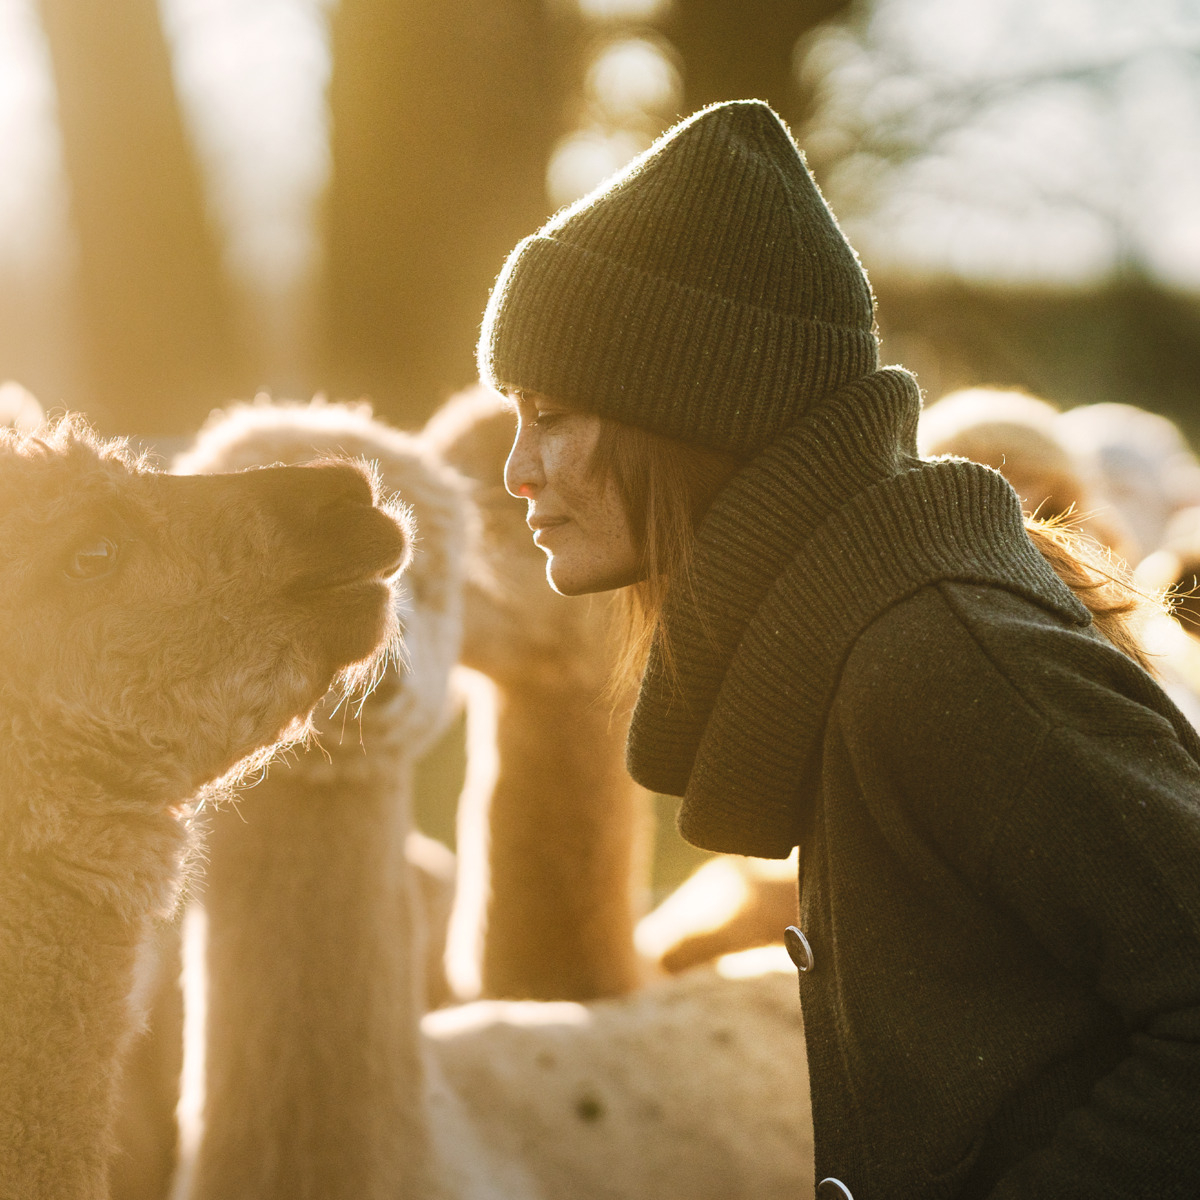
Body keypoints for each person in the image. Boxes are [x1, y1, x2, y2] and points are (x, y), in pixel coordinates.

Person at [477, 99, 1200, 1199]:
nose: (516, 470)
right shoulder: (860, 633)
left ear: (691, 408)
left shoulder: (939, 657)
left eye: (554, 414)